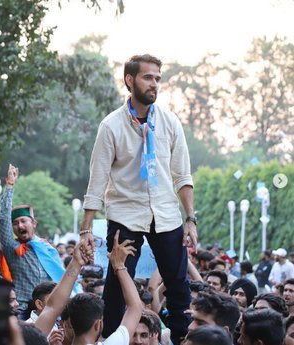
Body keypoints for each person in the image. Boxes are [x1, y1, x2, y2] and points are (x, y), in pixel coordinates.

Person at [80, 54, 197, 344]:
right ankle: (111, 339)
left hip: (166, 214)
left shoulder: (170, 122)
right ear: (130, 80)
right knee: (118, 286)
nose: (154, 83)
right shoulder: (111, 126)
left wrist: (191, 219)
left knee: (179, 286)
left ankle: (184, 340)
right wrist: (85, 229)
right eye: (148, 77)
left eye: (158, 78)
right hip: (125, 214)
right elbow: (97, 180)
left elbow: (183, 175)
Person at [0, 164, 78, 320]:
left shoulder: (48, 249)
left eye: (23, 221)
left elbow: (61, 278)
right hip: (23, 310)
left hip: (49, 310)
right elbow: (3, 219)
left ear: (33, 224)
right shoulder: (12, 247)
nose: (20, 226)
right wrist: (9, 185)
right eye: (15, 223)